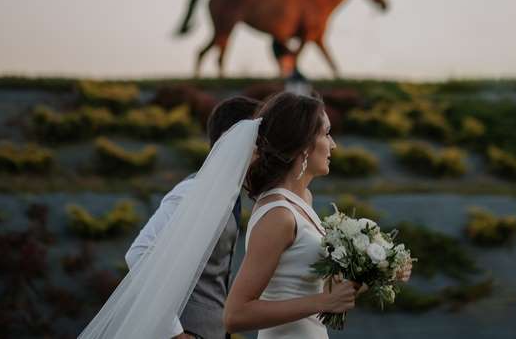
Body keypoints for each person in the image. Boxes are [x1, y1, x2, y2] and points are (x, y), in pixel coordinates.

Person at [223, 91, 412, 337]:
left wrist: (383, 269)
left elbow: (323, 291)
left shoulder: (302, 201)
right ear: (303, 145)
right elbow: (235, 315)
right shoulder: (278, 214)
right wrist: (322, 302)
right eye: (326, 133)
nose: (333, 144)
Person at [125, 95, 260, 339]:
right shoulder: (194, 191)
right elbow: (139, 252)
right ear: (238, 142)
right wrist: (175, 332)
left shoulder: (230, 195)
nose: (265, 152)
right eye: (260, 142)